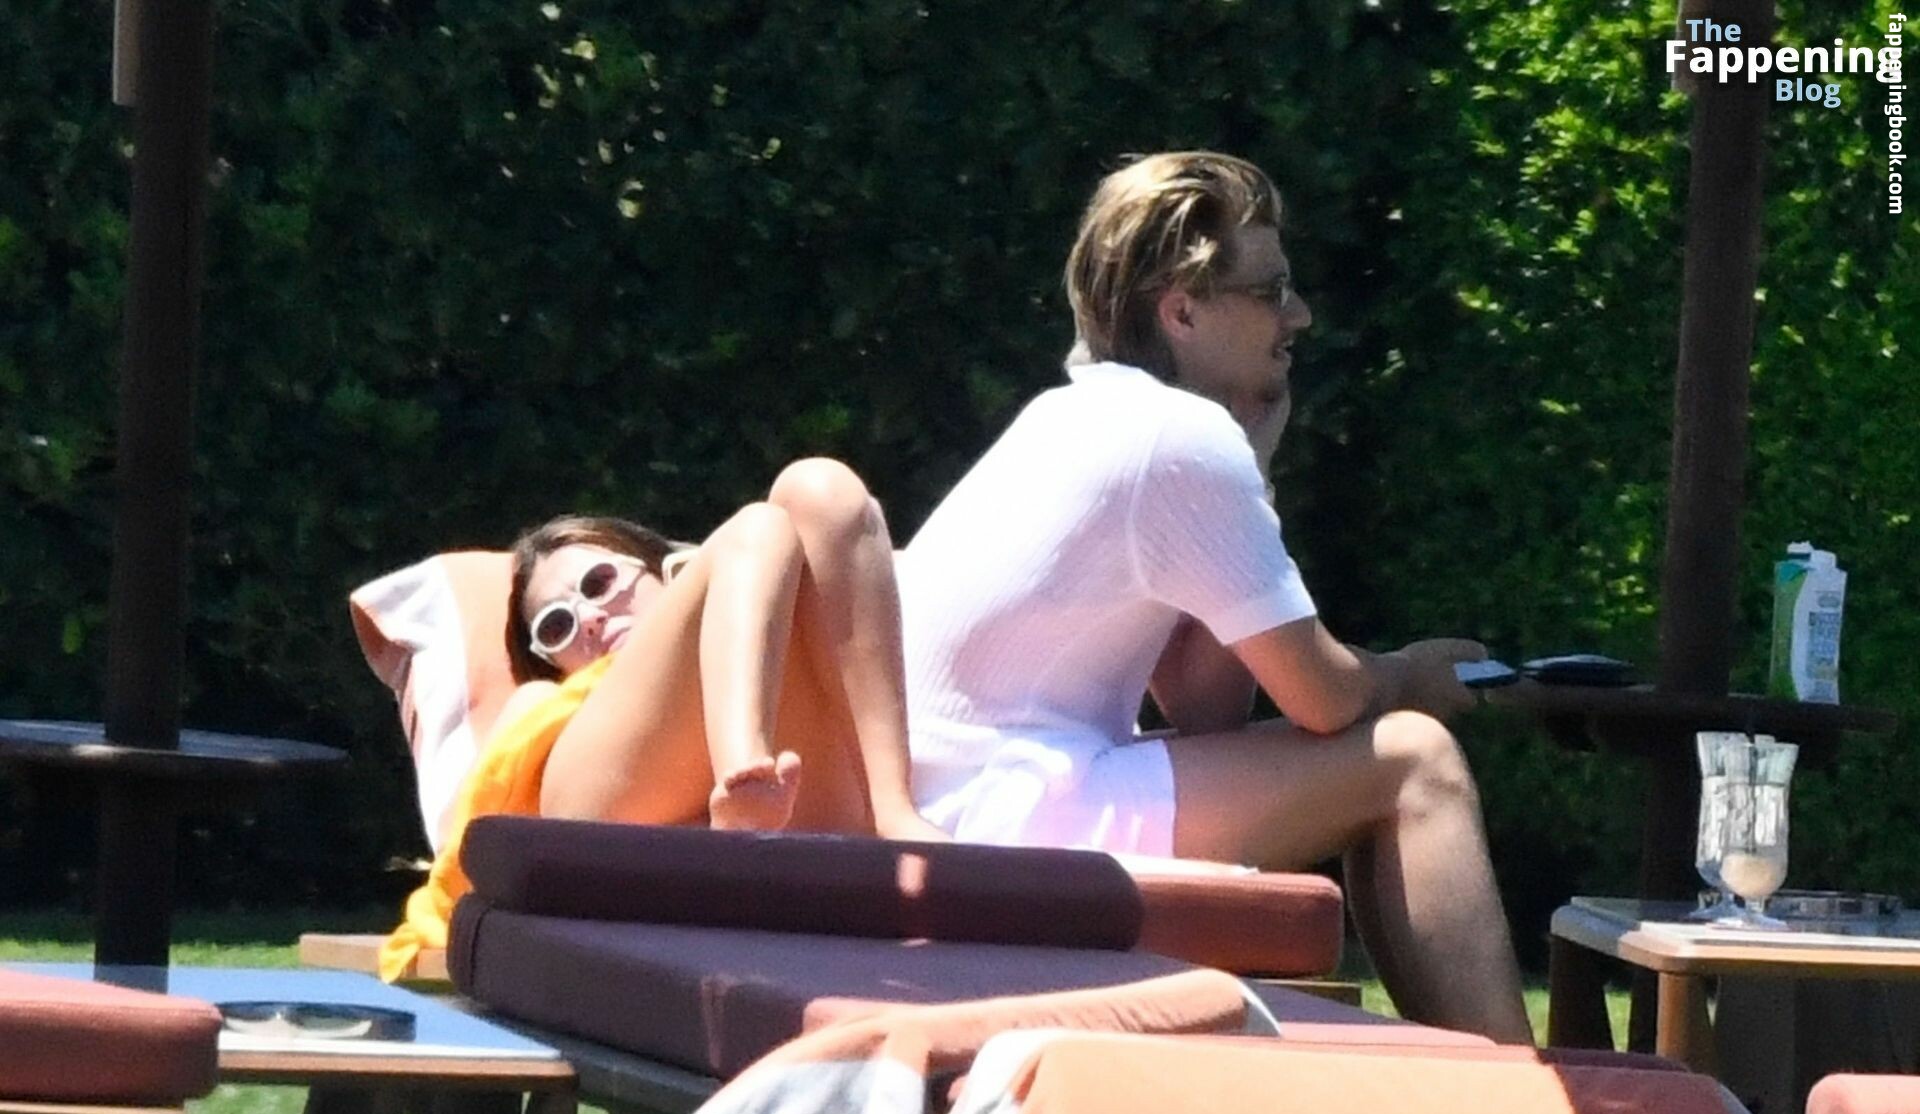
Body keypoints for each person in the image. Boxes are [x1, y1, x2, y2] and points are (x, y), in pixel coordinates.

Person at [898, 151, 1533, 1043]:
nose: (1298, 316)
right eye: (1270, 291)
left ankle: (1472, 1075)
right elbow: (1324, 698)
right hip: (1005, 824)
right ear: (1183, 310)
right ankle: (1515, 1090)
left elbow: (1205, 709)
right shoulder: (1178, 436)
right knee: (1413, 757)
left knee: (1380, 762)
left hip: (970, 809)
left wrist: (1256, 469)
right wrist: (1412, 673)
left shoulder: (1081, 416)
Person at [380, 458, 947, 981]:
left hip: (801, 796)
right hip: (602, 819)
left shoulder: (803, 640)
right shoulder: (544, 702)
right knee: (760, 527)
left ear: (662, 570)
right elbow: (475, 828)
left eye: (599, 582)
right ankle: (743, 784)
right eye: (556, 626)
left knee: (819, 486)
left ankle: (892, 809)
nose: (590, 617)